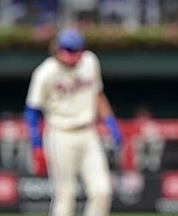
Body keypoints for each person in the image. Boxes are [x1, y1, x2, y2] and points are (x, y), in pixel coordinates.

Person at [24, 27, 123, 216]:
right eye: (70, 50)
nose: (75, 55)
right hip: (60, 133)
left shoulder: (90, 62)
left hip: (88, 132)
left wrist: (111, 123)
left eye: (78, 50)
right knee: (65, 195)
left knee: (102, 190)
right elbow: (32, 110)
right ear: (58, 49)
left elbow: (97, 94)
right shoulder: (45, 72)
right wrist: (36, 144)